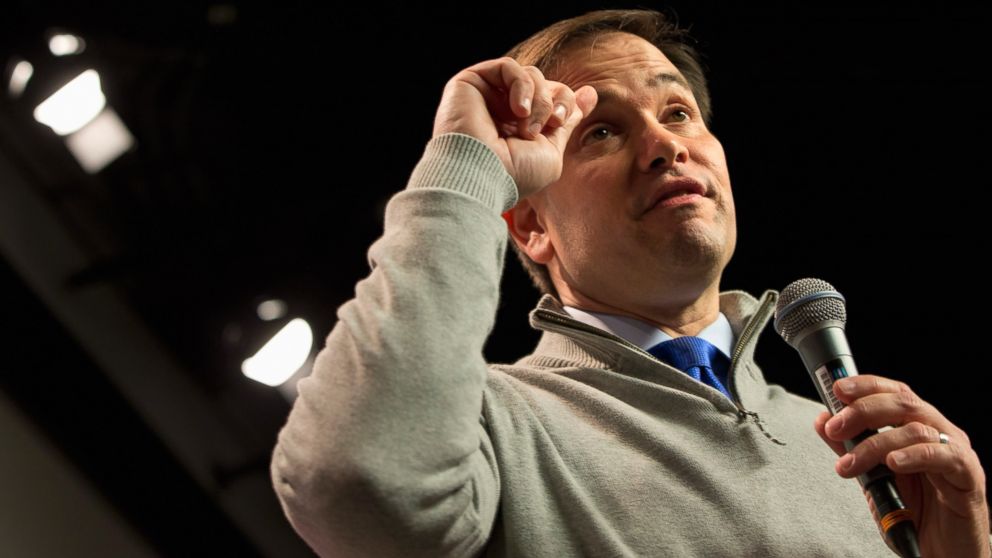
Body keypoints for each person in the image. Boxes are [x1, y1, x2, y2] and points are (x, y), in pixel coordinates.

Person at [269, 9, 990, 557]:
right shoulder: (486, 428)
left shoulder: (857, 458)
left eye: (677, 111)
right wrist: (466, 168)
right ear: (529, 226)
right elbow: (355, 483)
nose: (665, 143)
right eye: (602, 131)